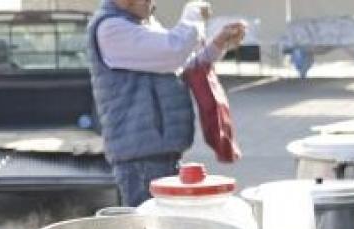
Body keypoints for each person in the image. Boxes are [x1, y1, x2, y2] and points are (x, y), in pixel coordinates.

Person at [88, 0, 246, 206]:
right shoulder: (111, 28)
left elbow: (181, 64)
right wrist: (192, 14)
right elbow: (173, 51)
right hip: (142, 159)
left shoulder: (139, 24)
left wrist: (217, 45)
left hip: (160, 153)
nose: (152, 2)